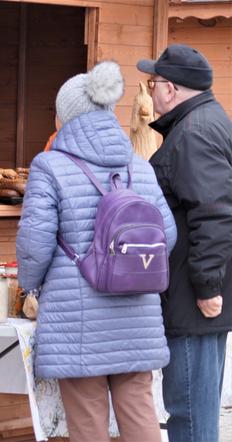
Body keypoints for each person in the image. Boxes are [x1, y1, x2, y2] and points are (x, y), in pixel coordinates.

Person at [16, 61, 177, 442]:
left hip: (79, 319)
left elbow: (35, 244)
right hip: (138, 312)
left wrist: (28, 285)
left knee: (87, 416)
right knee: (139, 409)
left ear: (65, 118)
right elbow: (166, 236)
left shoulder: (49, 166)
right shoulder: (139, 167)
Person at [137, 43, 232, 442]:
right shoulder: (204, 120)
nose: (150, 89)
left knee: (189, 414)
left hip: (193, 297)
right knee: (196, 409)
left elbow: (214, 212)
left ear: (170, 90)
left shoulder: (193, 133)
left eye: (153, 82)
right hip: (195, 292)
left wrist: (206, 286)